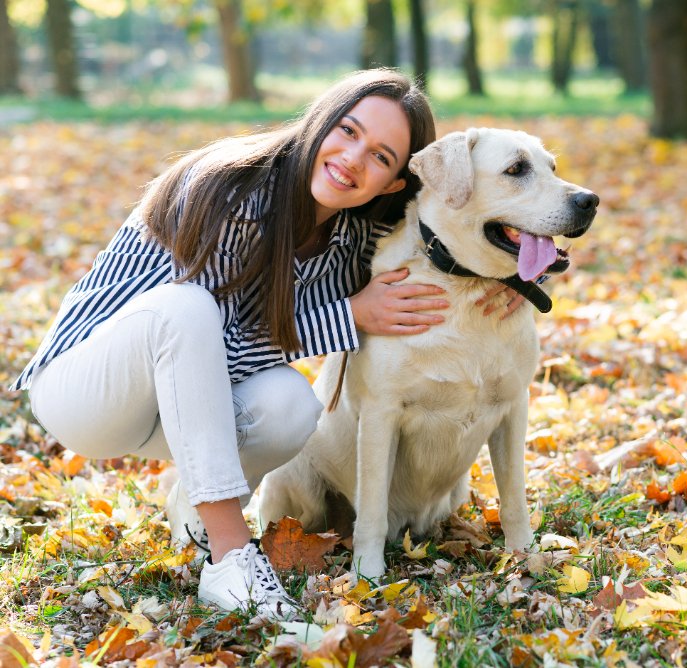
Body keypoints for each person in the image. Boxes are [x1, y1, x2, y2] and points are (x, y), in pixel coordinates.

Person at [9, 69, 449, 620]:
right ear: (319, 121)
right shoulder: (232, 187)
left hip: (184, 409)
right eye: (348, 130)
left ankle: (198, 517)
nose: (353, 158)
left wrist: (513, 285)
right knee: (186, 307)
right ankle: (230, 557)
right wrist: (350, 315)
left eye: (382, 157)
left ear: (391, 185)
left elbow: (443, 246)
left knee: (291, 405)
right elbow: (210, 343)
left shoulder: (352, 234)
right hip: (88, 393)